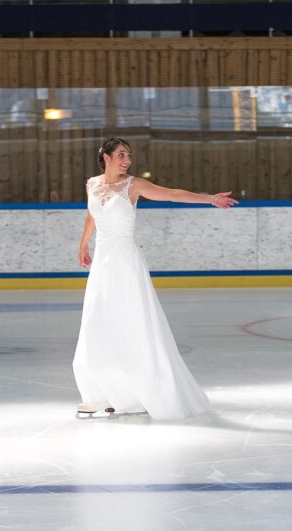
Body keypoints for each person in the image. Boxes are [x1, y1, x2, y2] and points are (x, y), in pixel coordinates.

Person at [72, 137, 238, 420]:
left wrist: (208, 198)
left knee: (131, 323)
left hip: (125, 262)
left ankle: (139, 392)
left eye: (129, 155)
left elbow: (171, 193)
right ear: (106, 158)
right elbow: (92, 215)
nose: (127, 160)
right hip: (102, 262)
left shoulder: (133, 185)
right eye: (121, 155)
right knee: (97, 322)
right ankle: (106, 393)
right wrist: (83, 244)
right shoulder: (92, 184)